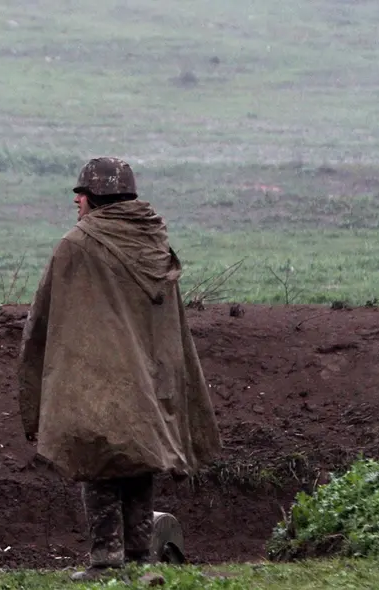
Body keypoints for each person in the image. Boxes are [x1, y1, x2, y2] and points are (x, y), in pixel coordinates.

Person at [16, 157, 221, 582]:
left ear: (96, 197)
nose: (76, 199)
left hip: (99, 378)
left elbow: (44, 318)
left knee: (101, 464)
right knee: (139, 463)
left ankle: (106, 561)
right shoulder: (154, 243)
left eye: (81, 192)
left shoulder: (77, 245)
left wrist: (36, 378)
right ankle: (141, 559)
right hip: (149, 379)